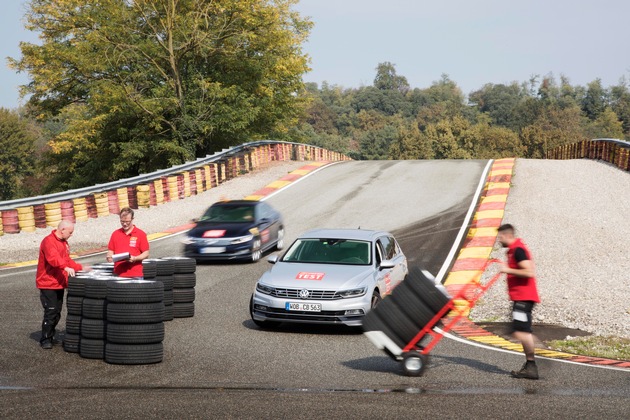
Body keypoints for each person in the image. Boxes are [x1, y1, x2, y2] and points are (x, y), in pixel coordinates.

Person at [497, 223, 541, 380]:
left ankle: (537, 356)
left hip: (524, 298)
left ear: (508, 236)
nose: (499, 240)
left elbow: (529, 271)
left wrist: (508, 270)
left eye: (500, 237)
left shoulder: (518, 250)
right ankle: (530, 366)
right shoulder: (513, 250)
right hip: (520, 298)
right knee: (519, 330)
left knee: (520, 331)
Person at [36, 220, 84, 349]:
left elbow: (67, 260)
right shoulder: (48, 241)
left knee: (57, 313)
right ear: (62, 229)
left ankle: (51, 335)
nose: (71, 235)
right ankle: (45, 338)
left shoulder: (64, 243)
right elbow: (53, 259)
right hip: (47, 283)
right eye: (70, 232)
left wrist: (80, 267)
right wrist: (65, 267)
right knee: (51, 311)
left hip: (59, 283)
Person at [106, 207, 149, 278]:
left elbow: (146, 253)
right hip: (118, 274)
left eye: (127, 222)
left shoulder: (140, 234)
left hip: (135, 274)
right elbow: (111, 250)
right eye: (122, 221)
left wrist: (135, 258)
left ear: (132, 219)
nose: (125, 224)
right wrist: (109, 256)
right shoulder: (115, 234)